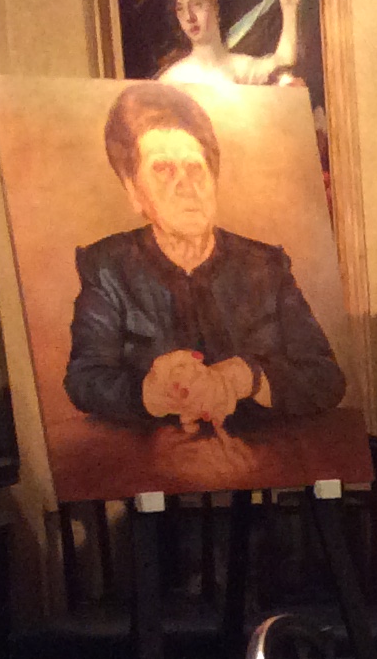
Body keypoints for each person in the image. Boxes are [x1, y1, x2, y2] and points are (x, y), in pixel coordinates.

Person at [65, 82, 345, 433]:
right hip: (156, 468)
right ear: (133, 190)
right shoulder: (107, 267)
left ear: (214, 178)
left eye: (195, 167)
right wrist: (148, 393)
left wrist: (248, 377)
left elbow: (326, 377)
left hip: (263, 463)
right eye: (163, 169)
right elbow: (84, 379)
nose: (186, 186)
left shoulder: (266, 266)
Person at [156, 0, 302, 88]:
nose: (189, 17)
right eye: (181, 9)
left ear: (216, 9)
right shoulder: (173, 78)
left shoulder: (240, 68)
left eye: (197, 5)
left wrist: (289, 9)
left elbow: (283, 62)